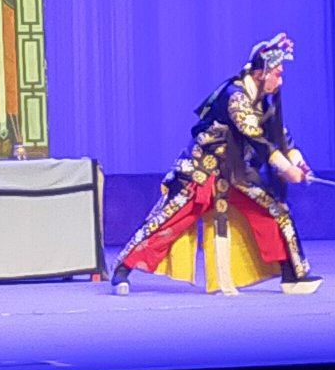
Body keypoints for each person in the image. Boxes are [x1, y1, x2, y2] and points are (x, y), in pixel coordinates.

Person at [109, 32, 319, 294]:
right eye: (277, 74)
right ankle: (123, 268)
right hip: (203, 167)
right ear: (260, 73)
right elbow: (254, 137)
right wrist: (285, 169)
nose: (281, 80)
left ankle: (292, 274)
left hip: (236, 172)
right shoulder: (236, 95)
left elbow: (281, 137)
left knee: (273, 211)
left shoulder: (263, 102)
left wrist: (300, 164)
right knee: (171, 217)